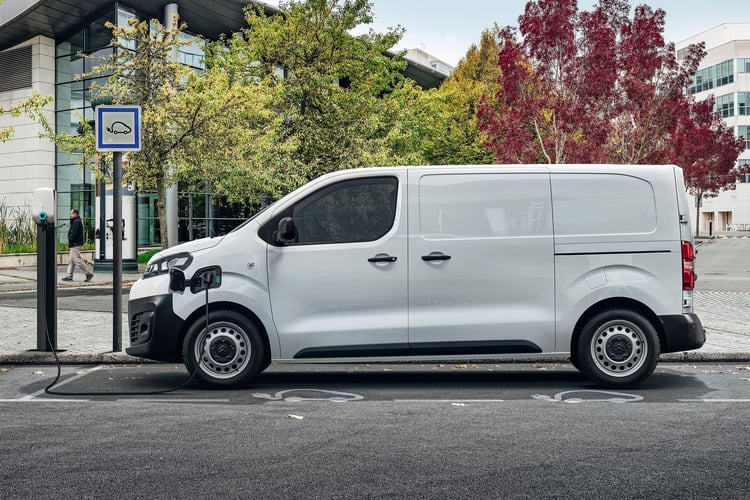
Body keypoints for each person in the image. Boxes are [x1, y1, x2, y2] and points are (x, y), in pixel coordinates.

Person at [62, 209, 94, 282]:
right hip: (75, 243)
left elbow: (74, 232)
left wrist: (71, 238)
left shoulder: (76, 222)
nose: (70, 215)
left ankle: (88, 273)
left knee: (76, 260)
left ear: (75, 214)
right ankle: (69, 276)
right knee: (71, 260)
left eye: (71, 213)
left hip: (75, 243)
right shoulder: (76, 221)